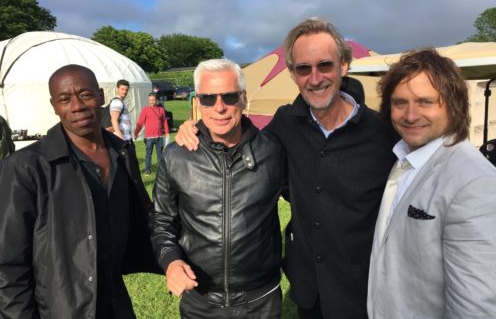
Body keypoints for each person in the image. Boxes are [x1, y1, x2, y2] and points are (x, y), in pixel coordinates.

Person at [175, 17, 397, 318]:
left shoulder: (383, 133)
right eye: (303, 68)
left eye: (325, 65)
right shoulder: (285, 124)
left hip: (365, 287)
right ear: (292, 73)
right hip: (309, 289)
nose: (315, 78)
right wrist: (197, 127)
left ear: (344, 65)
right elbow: (241, 134)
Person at [0, 64, 159, 318]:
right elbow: (8, 264)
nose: (77, 106)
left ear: (101, 97)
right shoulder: (26, 167)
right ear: (54, 106)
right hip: (59, 308)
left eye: (85, 95)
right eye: (65, 99)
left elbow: (145, 220)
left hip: (115, 304)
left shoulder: (121, 153)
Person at [149, 59, 287, 318]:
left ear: (244, 99)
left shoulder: (274, 150)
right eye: (209, 99)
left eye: (230, 97)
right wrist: (170, 261)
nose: (220, 108)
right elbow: (161, 221)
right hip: (200, 301)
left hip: (261, 301)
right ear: (198, 102)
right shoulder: (176, 155)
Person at [368, 48, 496, 318]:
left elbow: (475, 308)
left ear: (453, 105)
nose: (410, 115)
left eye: (425, 102)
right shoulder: (405, 157)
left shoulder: (474, 183)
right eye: (400, 102)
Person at [134, 93, 170, 175]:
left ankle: (162, 171)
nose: (151, 102)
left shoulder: (161, 110)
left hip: (159, 137)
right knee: (148, 155)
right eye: (150, 100)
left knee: (160, 155)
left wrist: (167, 134)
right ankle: (148, 170)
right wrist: (136, 133)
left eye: (153, 100)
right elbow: (140, 122)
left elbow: (165, 122)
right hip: (149, 138)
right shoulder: (145, 110)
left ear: (156, 100)